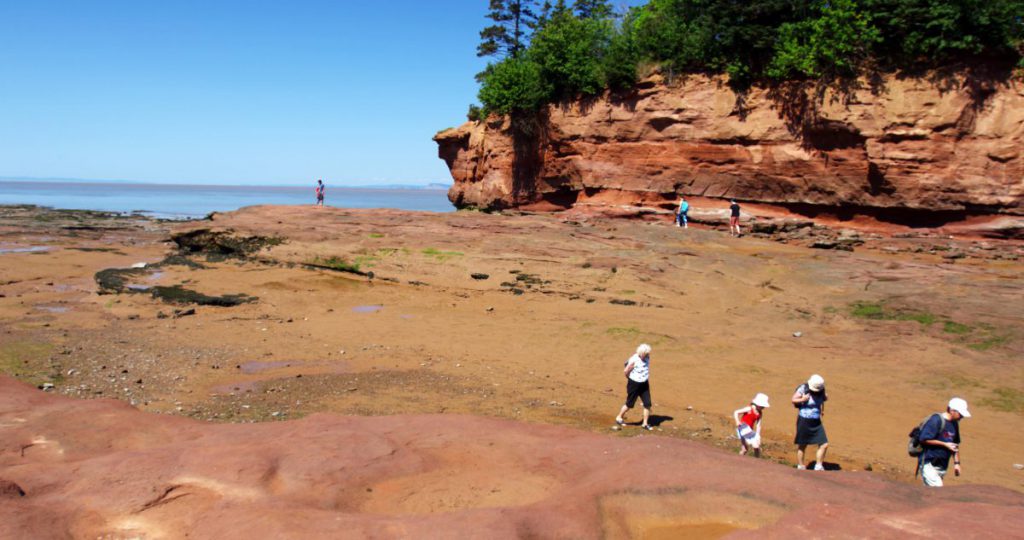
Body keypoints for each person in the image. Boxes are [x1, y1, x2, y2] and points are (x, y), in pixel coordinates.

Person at [918, 397, 970, 487]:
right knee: (938, 490)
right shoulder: (936, 420)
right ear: (951, 410)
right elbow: (923, 439)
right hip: (929, 463)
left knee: (931, 493)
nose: (962, 417)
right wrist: (944, 444)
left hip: (942, 466)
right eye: (960, 414)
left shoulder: (954, 424)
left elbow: (955, 445)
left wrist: (957, 464)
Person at [792, 374, 828, 470]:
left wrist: (822, 408)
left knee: (824, 444)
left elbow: (824, 399)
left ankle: (818, 465)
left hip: (816, 421)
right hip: (804, 420)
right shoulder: (803, 388)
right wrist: (802, 399)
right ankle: (800, 465)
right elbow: (793, 400)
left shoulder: (821, 390)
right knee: (802, 444)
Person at [615, 344, 654, 431]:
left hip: (644, 384)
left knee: (647, 404)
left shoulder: (648, 357)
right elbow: (625, 371)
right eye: (646, 353)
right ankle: (619, 417)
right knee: (630, 404)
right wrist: (629, 376)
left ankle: (645, 423)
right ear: (641, 353)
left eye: (648, 353)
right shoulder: (634, 359)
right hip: (634, 384)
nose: (647, 355)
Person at [733, 393, 770, 457]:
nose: (763, 408)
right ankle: (755, 461)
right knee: (754, 446)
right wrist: (737, 421)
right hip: (742, 428)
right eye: (762, 406)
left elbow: (758, 425)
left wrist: (758, 436)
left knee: (746, 449)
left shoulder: (760, 413)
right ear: (757, 404)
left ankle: (753, 460)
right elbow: (736, 412)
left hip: (749, 430)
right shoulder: (749, 409)